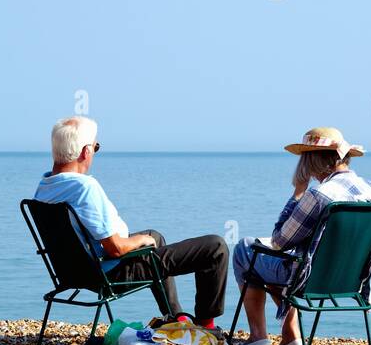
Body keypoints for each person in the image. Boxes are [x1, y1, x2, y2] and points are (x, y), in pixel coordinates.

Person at [33, 116, 227, 328]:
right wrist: (137, 241)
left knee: (154, 236)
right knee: (215, 247)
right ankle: (206, 326)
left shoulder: (44, 187)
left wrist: (142, 239)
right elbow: (115, 248)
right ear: (85, 151)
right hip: (110, 274)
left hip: (72, 272)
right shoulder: (84, 188)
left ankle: (175, 318)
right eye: (96, 147)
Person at [230, 127, 371, 345]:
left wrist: (297, 193)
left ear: (312, 161)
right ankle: (290, 335)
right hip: (351, 282)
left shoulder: (319, 195)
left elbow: (279, 241)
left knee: (245, 250)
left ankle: (258, 338)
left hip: (308, 281)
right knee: (291, 261)